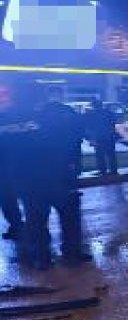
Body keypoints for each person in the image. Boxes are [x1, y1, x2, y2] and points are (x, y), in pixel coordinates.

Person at [4, 87, 89, 268]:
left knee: (36, 220)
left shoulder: (8, 118)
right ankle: (70, 253)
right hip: (57, 175)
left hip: (30, 178)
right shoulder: (58, 113)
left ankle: (42, 258)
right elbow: (73, 139)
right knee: (68, 218)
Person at [0, 85, 24, 242]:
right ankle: (26, 227)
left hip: (6, 167)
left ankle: (17, 226)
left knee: (7, 199)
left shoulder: (17, 116)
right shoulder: (20, 116)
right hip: (19, 165)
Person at [82, 100, 118, 175]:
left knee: (100, 154)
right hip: (109, 137)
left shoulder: (92, 114)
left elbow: (88, 125)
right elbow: (114, 122)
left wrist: (90, 137)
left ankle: (102, 170)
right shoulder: (108, 113)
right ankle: (114, 170)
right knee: (111, 154)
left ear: (94, 106)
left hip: (99, 137)